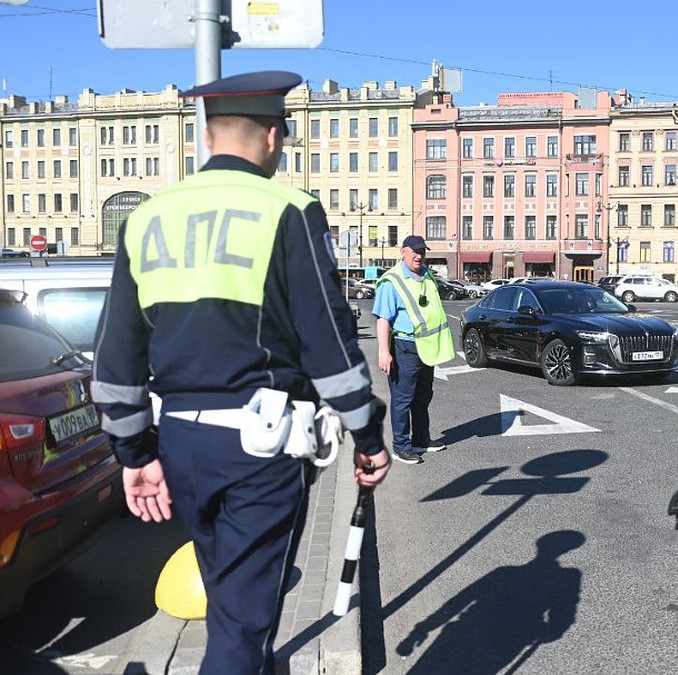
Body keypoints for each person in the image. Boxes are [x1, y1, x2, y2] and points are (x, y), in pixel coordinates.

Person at [90, 71, 390, 674]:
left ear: (206, 135)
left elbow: (115, 355)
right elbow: (328, 346)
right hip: (261, 449)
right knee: (241, 627)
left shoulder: (148, 217)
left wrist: (134, 453)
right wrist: (368, 435)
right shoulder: (289, 210)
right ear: (274, 138)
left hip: (180, 444)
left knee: (227, 599)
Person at [373, 235, 455, 464]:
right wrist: (384, 352)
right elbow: (383, 319)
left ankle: (421, 439)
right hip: (404, 346)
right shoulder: (392, 281)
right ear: (403, 252)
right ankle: (401, 446)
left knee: (422, 396)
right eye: (414, 251)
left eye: (422, 252)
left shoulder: (426, 275)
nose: (419, 256)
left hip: (426, 347)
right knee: (403, 398)